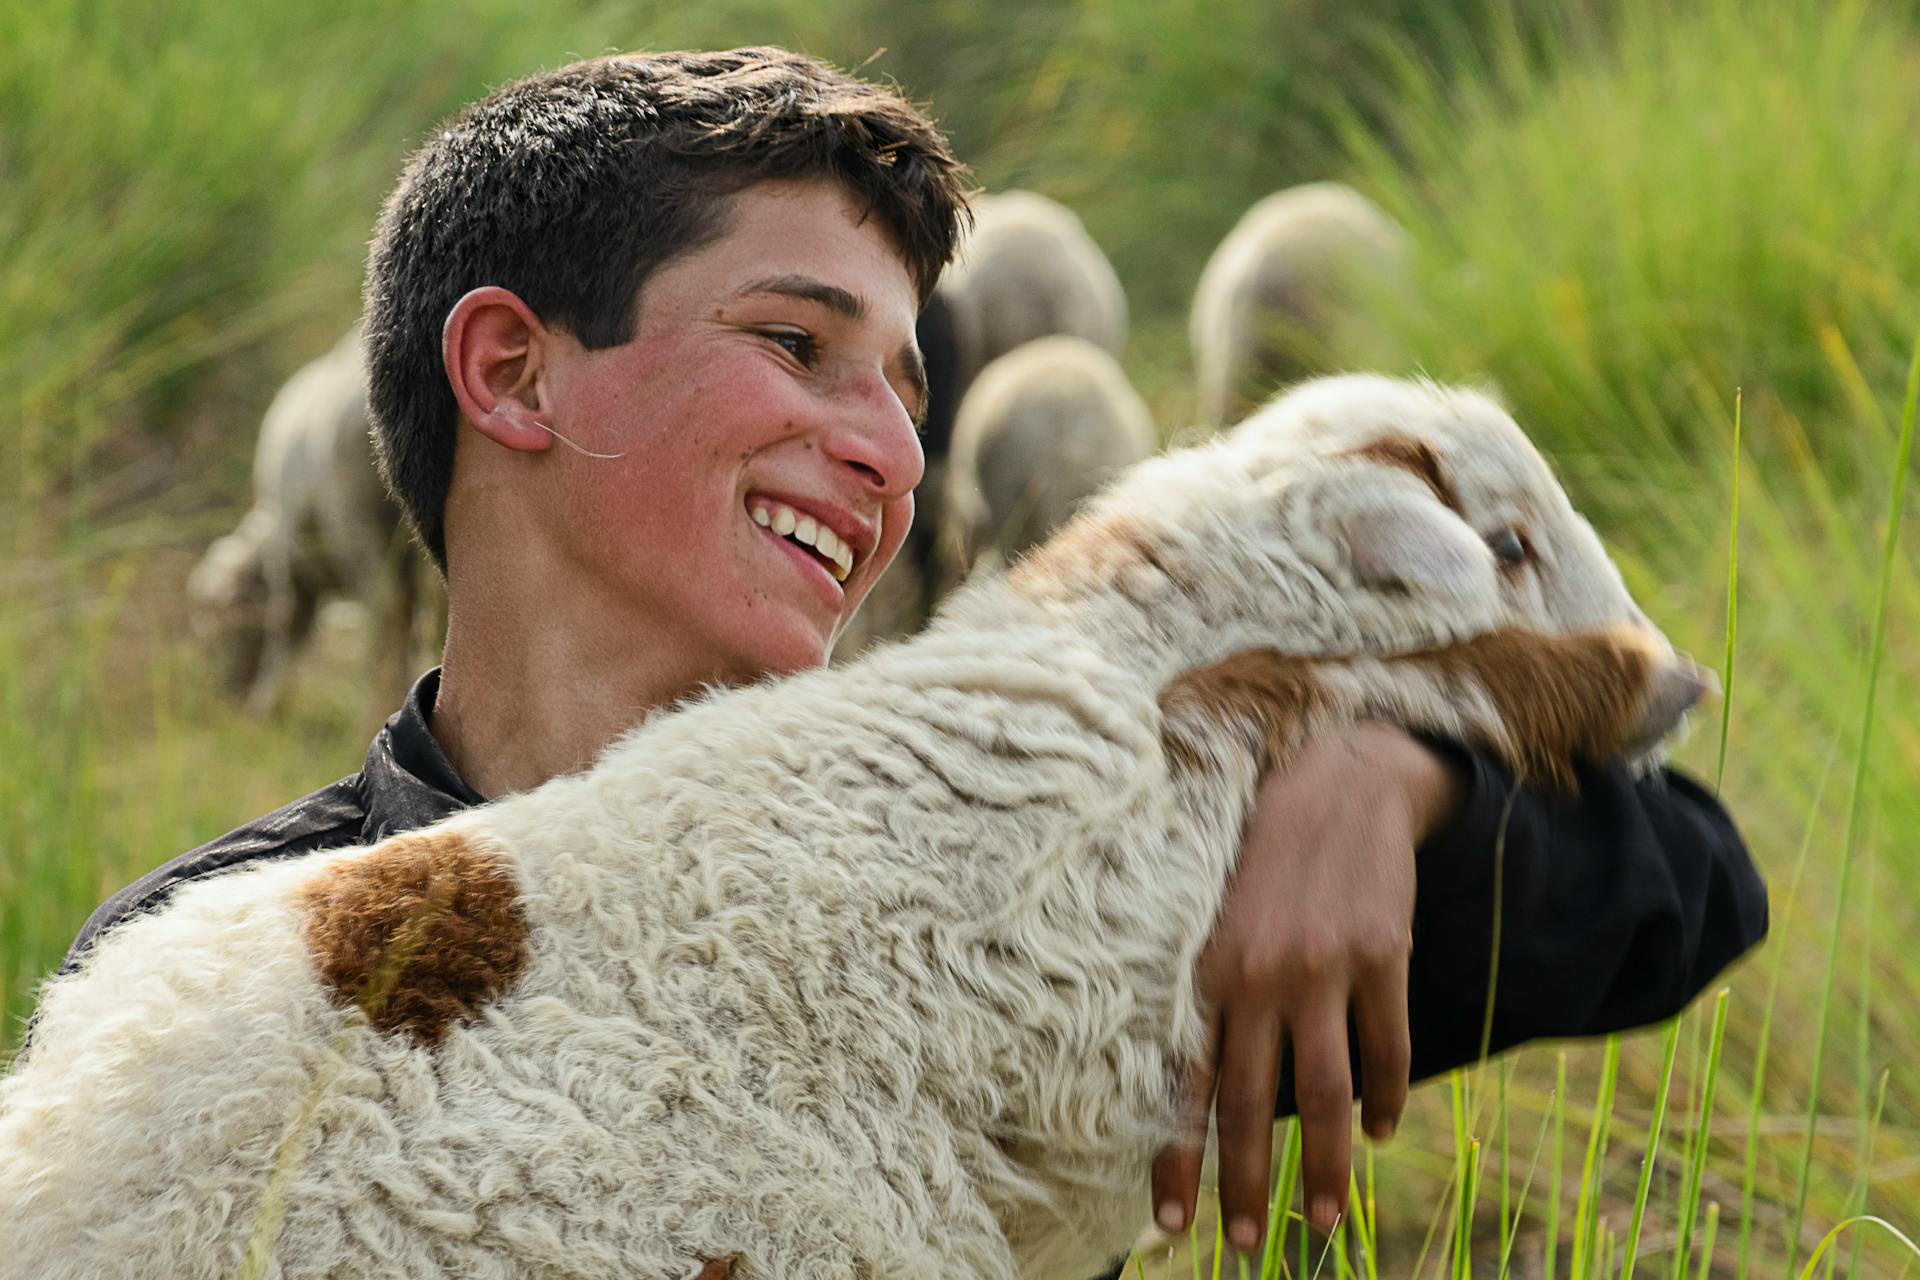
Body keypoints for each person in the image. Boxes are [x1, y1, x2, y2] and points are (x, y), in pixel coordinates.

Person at [43, 47, 1767, 1270]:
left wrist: (1394, 775)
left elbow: (1688, 883)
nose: (889, 451)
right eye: (799, 346)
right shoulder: (249, 960)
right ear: (512, 374)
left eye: (907, 383)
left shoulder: (1036, 838)